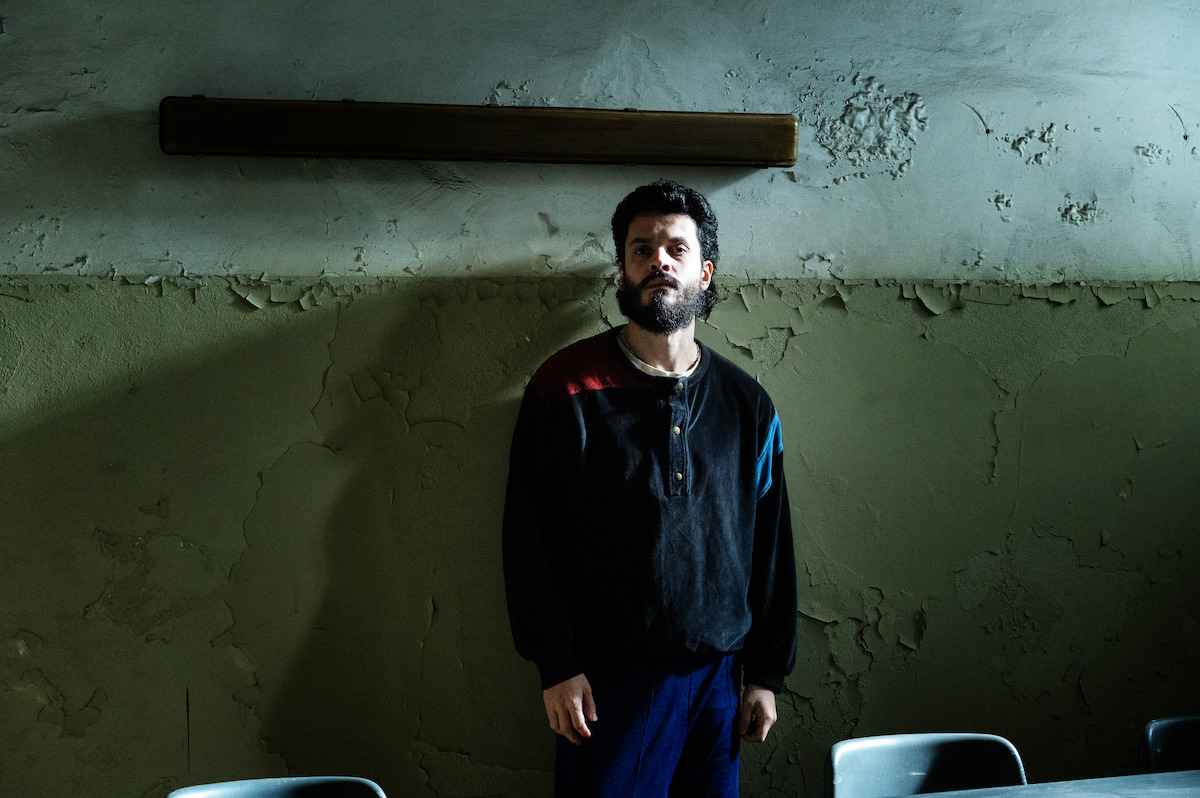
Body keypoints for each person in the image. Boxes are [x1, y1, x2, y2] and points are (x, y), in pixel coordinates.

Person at [503, 180, 797, 797]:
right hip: (607, 684)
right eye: (641, 250)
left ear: (704, 271)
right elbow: (529, 537)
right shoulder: (565, 389)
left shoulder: (748, 406)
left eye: (675, 249)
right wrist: (556, 665)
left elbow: (771, 548)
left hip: (718, 680)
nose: (658, 261)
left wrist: (765, 674)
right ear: (621, 269)